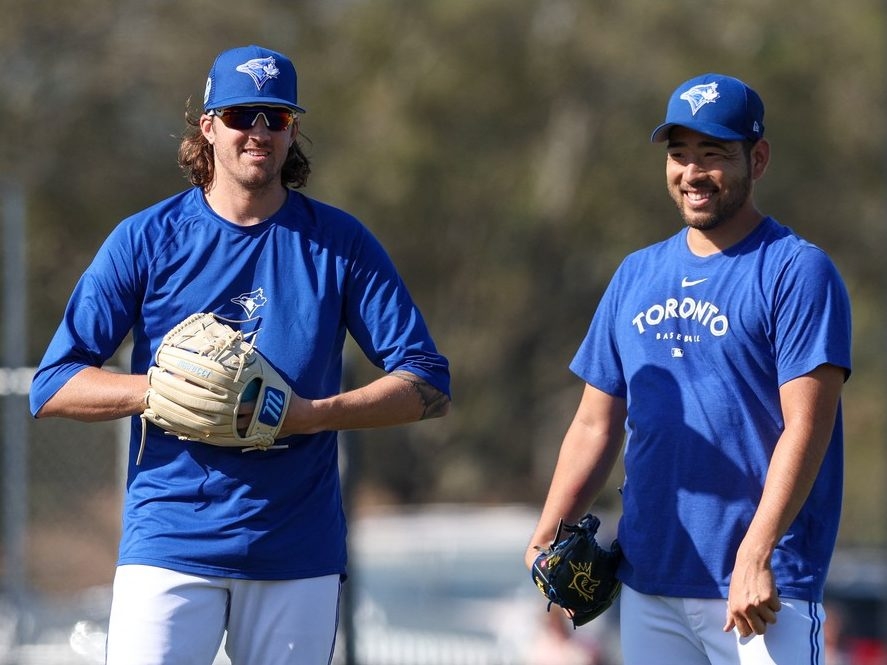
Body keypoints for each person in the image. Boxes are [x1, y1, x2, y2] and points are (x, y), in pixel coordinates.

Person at [29, 44, 451, 665]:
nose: (258, 132)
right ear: (207, 126)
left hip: (295, 549)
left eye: (275, 118)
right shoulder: (146, 240)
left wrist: (310, 413)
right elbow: (53, 384)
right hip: (170, 542)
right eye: (240, 115)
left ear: (293, 130)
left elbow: (428, 382)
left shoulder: (339, 243)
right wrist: (158, 391)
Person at [525, 73, 851, 665]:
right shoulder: (635, 274)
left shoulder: (797, 271)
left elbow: (806, 429)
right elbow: (596, 424)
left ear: (758, 158)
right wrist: (550, 528)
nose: (692, 172)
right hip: (651, 580)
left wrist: (756, 553)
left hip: (760, 590)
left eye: (714, 153)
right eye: (679, 154)